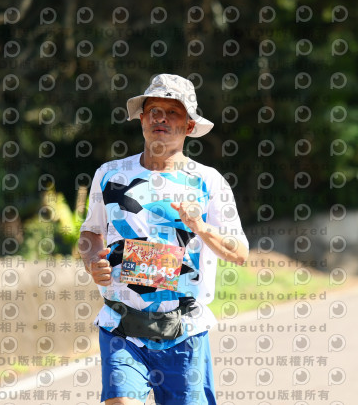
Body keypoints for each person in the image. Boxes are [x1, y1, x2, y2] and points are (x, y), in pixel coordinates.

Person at [78, 74, 249, 404]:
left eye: (173, 112)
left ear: (189, 126)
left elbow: (239, 253)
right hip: (121, 325)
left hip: (184, 330)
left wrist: (201, 227)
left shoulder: (208, 182)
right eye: (154, 110)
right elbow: (90, 232)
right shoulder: (110, 175)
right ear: (142, 118)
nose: (161, 118)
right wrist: (91, 260)